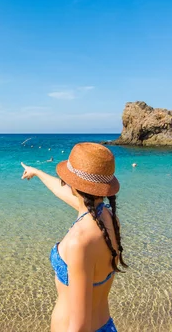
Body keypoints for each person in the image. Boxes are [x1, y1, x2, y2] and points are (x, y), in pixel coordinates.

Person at [21, 142, 127, 332]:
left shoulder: (80, 242)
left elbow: (79, 327)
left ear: (75, 185)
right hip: (106, 325)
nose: (63, 182)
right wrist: (36, 172)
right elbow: (64, 193)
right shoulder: (108, 219)